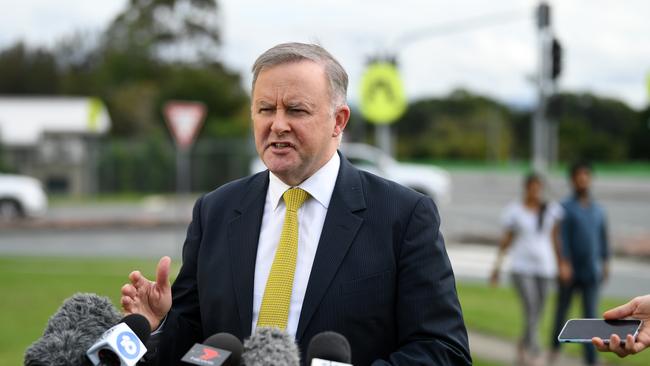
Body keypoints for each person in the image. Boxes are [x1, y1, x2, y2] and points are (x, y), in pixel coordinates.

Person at [120, 42, 471, 366]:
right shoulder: (216, 210)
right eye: (265, 109)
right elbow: (196, 343)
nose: (278, 124)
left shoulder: (404, 216)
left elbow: (443, 350)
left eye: (296, 109)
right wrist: (162, 322)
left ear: (339, 121)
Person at [490, 173, 565, 366]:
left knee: (538, 311)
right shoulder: (514, 211)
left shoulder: (551, 210)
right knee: (531, 307)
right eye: (532, 187)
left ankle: (522, 347)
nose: (535, 191)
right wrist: (496, 267)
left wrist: (561, 263)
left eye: (538, 187)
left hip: (545, 267)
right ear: (526, 188)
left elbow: (556, 239)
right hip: (522, 267)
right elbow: (506, 241)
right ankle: (534, 352)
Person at [549, 161, 610, 365]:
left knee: (590, 318)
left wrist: (606, 262)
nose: (583, 179)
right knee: (562, 314)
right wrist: (563, 263)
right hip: (570, 271)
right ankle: (554, 354)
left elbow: (603, 238)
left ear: (591, 178)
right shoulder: (564, 208)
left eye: (586, 175)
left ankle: (591, 359)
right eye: (578, 175)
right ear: (572, 180)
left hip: (590, 271)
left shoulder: (598, 209)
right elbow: (560, 237)